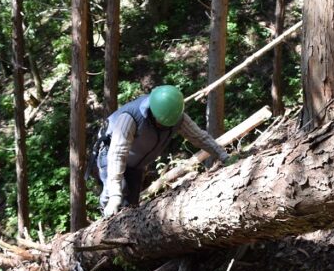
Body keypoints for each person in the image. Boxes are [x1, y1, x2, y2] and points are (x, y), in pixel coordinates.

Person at [91, 85, 231, 218]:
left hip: (135, 162)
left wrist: (223, 155)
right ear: (152, 111)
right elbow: (117, 155)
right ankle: (105, 224)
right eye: (159, 122)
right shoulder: (130, 118)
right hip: (110, 153)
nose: (161, 126)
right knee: (117, 195)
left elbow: (199, 137)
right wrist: (115, 195)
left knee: (131, 206)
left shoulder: (177, 116)